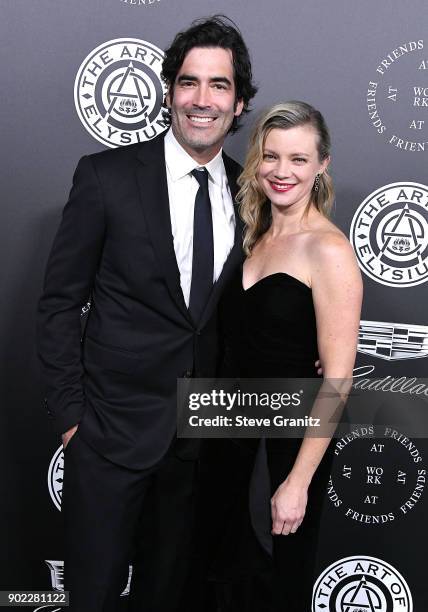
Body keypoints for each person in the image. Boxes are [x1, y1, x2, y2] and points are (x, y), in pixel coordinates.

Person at [36, 15, 257, 612]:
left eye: (218, 86)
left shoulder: (250, 195)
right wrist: (73, 419)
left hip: (199, 447)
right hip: (108, 437)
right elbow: (59, 302)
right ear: (169, 92)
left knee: (171, 598)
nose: (201, 100)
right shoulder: (105, 177)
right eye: (189, 83)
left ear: (239, 104)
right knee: (94, 597)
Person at [197, 101, 363, 611]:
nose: (282, 172)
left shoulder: (328, 250)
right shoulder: (253, 235)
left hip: (288, 442)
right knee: (218, 575)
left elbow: (336, 379)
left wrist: (297, 482)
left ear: (321, 165)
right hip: (227, 431)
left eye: (298, 159)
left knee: (273, 580)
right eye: (271, 157)